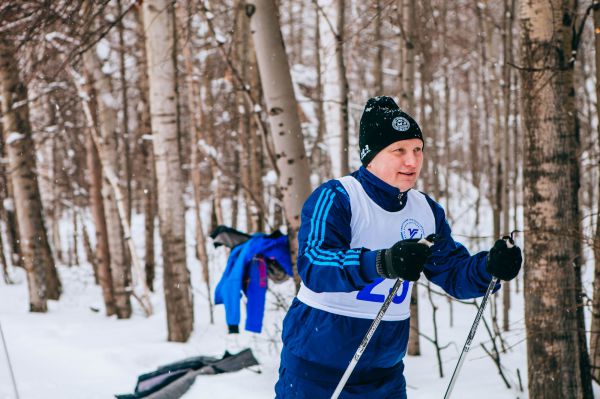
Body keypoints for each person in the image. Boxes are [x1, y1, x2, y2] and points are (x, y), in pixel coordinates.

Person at [274, 96, 522, 398]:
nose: (412, 161)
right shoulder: (339, 197)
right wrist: (382, 262)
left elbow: (454, 274)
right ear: (371, 156)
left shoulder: (425, 210)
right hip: (316, 370)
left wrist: (489, 268)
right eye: (399, 151)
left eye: (418, 150)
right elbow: (315, 264)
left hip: (384, 374)